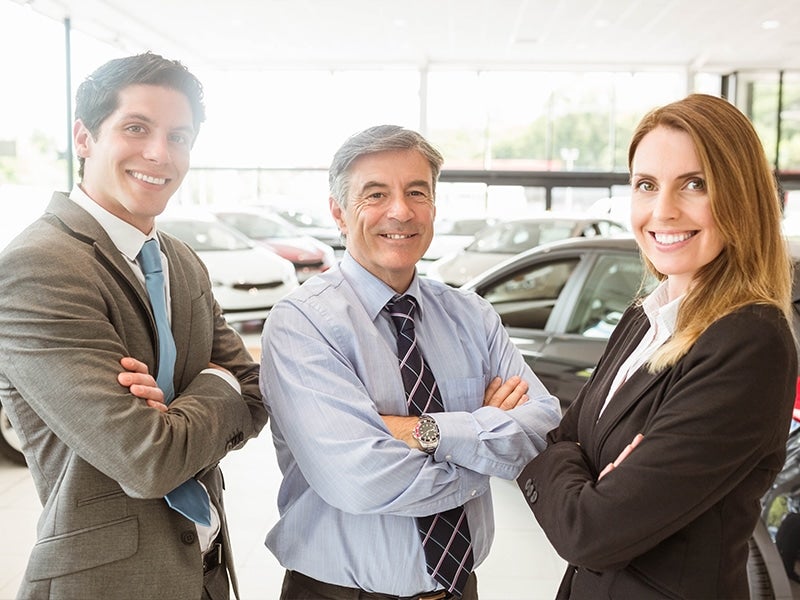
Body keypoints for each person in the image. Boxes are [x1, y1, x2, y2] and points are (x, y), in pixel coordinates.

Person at [0, 52, 267, 599]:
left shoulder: (179, 259)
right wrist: (214, 385)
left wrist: (177, 418)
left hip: (207, 573)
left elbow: (259, 391)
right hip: (109, 583)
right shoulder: (39, 266)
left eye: (179, 136)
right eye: (136, 128)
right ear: (84, 137)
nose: (159, 153)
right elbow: (146, 459)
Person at [260, 124, 561, 599]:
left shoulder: (472, 315)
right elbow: (361, 480)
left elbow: (541, 430)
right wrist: (484, 448)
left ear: (434, 207)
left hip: (460, 589)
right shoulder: (302, 323)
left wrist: (425, 432)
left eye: (416, 192)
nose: (400, 211)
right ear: (339, 212)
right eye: (375, 194)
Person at [516, 93, 797, 599]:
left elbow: (590, 530)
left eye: (694, 184)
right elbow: (565, 437)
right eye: (646, 185)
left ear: (742, 195)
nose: (662, 210)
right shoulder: (644, 317)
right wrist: (576, 460)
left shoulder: (750, 341)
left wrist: (570, 461)